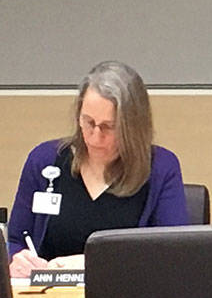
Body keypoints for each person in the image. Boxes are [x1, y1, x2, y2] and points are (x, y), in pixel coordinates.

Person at [7, 61, 187, 277]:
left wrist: (92, 263)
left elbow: (171, 254)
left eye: (109, 127)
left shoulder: (161, 168)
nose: (95, 137)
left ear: (133, 128)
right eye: (88, 122)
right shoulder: (43, 161)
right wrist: (17, 260)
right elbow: (16, 240)